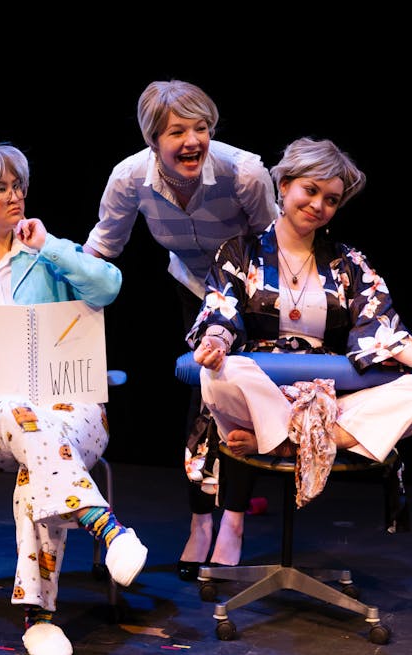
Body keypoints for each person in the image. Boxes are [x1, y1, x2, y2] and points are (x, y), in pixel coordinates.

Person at [0, 140, 148, 655]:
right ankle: (105, 529)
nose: (14, 195)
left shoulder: (47, 252)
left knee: (41, 455)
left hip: (70, 408)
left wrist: (49, 246)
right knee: (19, 418)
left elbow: (108, 286)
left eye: (17, 184)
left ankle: (40, 618)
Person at [187, 137, 412, 507]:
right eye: (310, 191)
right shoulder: (240, 252)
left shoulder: (348, 263)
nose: (318, 206)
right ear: (284, 186)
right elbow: (221, 309)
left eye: (331, 200)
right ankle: (297, 435)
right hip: (261, 396)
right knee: (217, 376)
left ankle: (290, 443)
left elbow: (383, 328)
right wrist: (215, 342)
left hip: (326, 401)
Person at [82, 79, 278, 579]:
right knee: (199, 397)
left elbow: (273, 250)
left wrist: (242, 318)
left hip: (248, 292)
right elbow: (102, 249)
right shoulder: (130, 178)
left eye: (201, 128)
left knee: (231, 399)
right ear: (152, 139)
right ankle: (200, 523)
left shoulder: (244, 173)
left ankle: (230, 522)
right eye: (177, 131)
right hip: (190, 288)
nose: (192, 140)